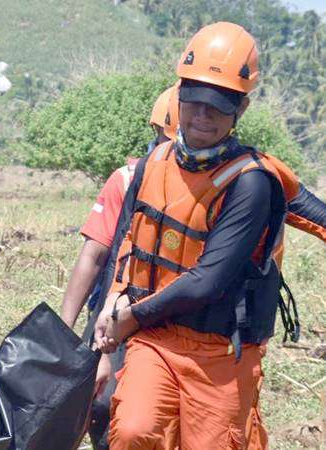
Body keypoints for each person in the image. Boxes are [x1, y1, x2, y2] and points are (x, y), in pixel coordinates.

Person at [94, 22, 326, 448]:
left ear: (241, 108)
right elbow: (125, 243)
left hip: (222, 349)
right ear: (178, 94)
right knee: (132, 430)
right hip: (156, 336)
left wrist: (131, 317)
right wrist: (110, 307)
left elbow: (208, 281)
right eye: (195, 101)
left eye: (218, 106)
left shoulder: (251, 183)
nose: (203, 115)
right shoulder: (152, 165)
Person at [60, 86, 175, 450]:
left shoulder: (218, 187)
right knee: (101, 404)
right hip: (114, 310)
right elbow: (93, 256)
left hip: (171, 319)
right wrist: (63, 331)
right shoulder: (126, 179)